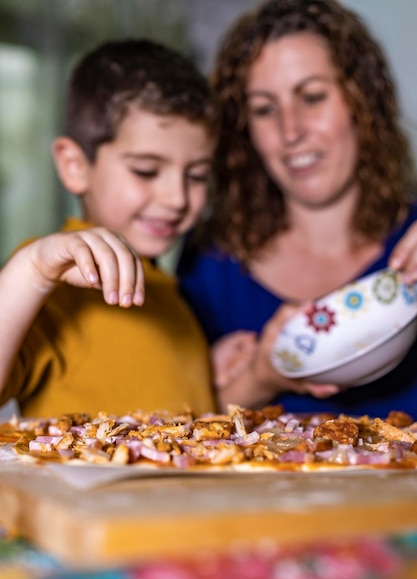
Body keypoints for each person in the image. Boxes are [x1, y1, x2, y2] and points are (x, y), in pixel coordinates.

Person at [178, 0, 417, 417]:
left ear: (363, 103)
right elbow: (179, 434)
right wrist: (258, 378)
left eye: (311, 97)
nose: (291, 131)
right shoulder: (210, 265)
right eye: (265, 109)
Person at [0, 39, 217, 417]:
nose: (177, 198)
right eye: (146, 170)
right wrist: (32, 269)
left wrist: (252, 376)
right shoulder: (48, 281)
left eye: (197, 175)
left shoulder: (174, 295)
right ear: (75, 165)